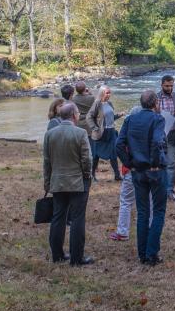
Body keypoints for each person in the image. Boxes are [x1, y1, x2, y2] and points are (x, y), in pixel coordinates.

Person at [115, 90, 168, 265]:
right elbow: (156, 141)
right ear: (155, 103)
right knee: (158, 211)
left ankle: (142, 253)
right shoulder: (157, 119)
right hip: (154, 170)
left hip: (137, 170)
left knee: (143, 212)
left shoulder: (130, 119)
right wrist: (153, 162)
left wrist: (129, 163)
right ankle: (151, 253)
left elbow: (119, 144)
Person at [42, 101, 94, 266]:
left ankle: (57, 255)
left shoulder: (50, 134)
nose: (79, 116)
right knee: (78, 218)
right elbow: (87, 159)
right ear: (73, 115)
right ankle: (76, 258)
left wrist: (47, 182)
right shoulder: (80, 133)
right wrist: (87, 176)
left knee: (58, 217)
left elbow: (47, 161)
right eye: (78, 114)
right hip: (78, 181)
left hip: (57, 181)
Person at [87, 85, 122, 181]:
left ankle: (117, 175)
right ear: (102, 93)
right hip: (101, 133)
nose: (109, 94)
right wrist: (94, 128)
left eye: (110, 92)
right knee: (96, 155)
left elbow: (110, 118)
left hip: (111, 132)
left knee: (113, 153)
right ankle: (92, 175)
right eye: (107, 92)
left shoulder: (109, 103)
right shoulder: (97, 103)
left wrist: (119, 115)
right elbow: (89, 117)